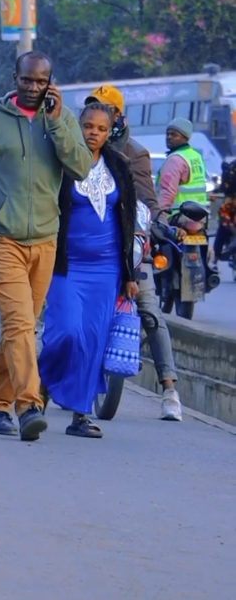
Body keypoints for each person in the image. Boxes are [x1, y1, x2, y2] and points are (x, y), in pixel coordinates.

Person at [0, 51, 92, 441]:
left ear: (51, 82)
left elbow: (81, 168)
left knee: (21, 326)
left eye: (40, 81)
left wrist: (58, 122)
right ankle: (29, 404)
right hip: (0, 235)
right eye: (26, 80)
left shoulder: (59, 120)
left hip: (45, 239)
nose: (32, 88)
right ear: (15, 78)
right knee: (19, 322)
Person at [38, 102, 138, 437]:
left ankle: (79, 415)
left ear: (110, 133)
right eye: (88, 126)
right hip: (67, 264)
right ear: (77, 126)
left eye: (101, 128)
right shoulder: (62, 162)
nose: (94, 133)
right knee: (67, 332)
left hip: (107, 268)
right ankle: (42, 381)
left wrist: (129, 275)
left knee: (92, 341)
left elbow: (128, 219)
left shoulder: (120, 167)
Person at [86, 85, 183, 421]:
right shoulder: (77, 148)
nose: (96, 121)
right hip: (87, 245)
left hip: (128, 247)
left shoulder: (135, 153)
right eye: (92, 111)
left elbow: (148, 199)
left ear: (118, 116)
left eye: (104, 110)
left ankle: (169, 389)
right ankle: (42, 381)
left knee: (150, 311)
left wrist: (161, 224)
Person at [156, 118, 208, 214]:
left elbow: (167, 192)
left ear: (185, 138)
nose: (169, 137)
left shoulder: (175, 159)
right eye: (167, 134)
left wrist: (157, 214)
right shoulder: (195, 156)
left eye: (174, 135)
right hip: (198, 214)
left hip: (177, 216)